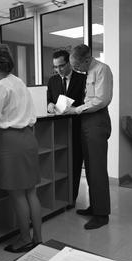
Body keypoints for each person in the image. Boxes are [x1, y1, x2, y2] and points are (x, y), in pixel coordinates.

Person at [0, 44, 42, 252]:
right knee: (31, 192)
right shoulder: (19, 81)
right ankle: (38, 239)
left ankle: (24, 239)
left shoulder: (2, 85)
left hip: (12, 141)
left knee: (16, 194)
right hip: (29, 138)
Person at [68, 44, 113, 230]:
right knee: (91, 167)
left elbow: (101, 99)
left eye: (78, 66)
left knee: (97, 168)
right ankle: (95, 206)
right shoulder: (88, 71)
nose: (77, 70)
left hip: (97, 119)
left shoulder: (102, 70)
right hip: (87, 121)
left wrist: (76, 109)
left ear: (87, 59)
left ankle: (102, 215)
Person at [47, 50, 86, 205]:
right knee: (60, 165)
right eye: (55, 67)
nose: (59, 70)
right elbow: (49, 99)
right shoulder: (53, 81)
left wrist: (74, 109)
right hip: (59, 130)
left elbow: (87, 102)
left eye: (62, 66)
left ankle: (71, 199)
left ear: (69, 63)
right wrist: (49, 105)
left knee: (76, 165)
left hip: (78, 128)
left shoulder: (83, 79)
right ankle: (61, 197)